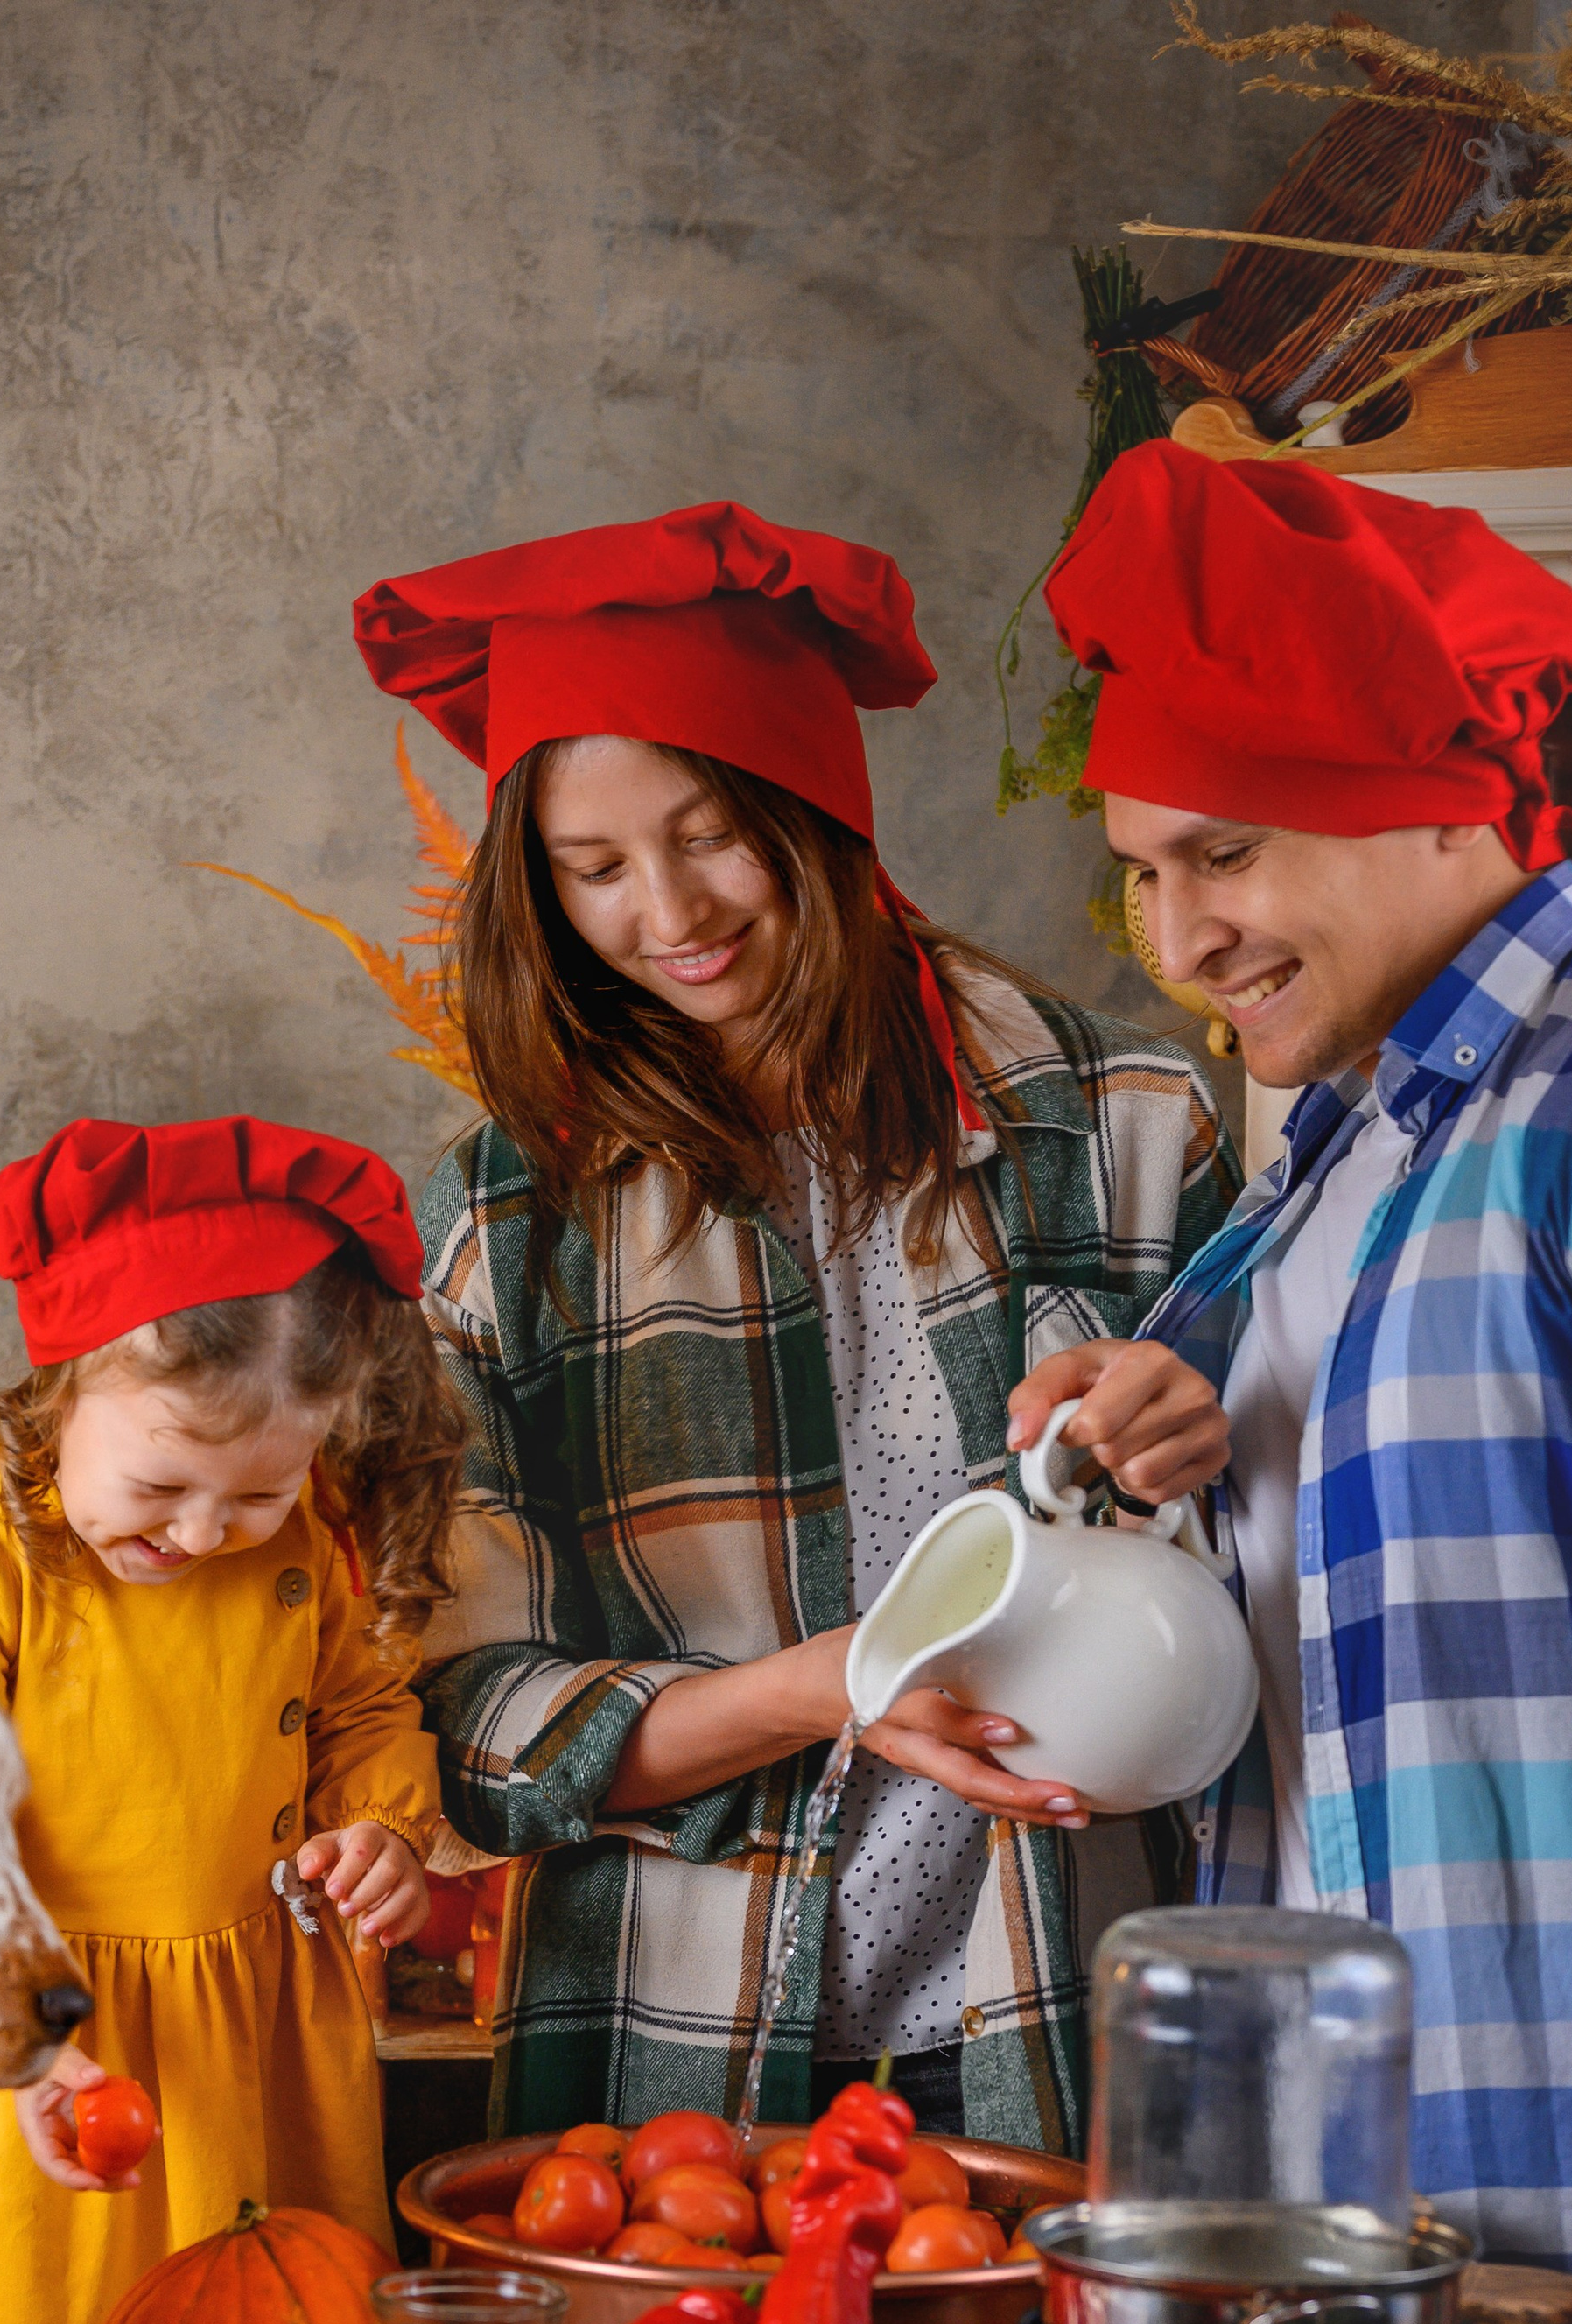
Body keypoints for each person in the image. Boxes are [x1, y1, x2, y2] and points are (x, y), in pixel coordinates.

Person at [352, 500, 1232, 2150]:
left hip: (1065, 2014)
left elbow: (1275, 1585)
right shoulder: (516, 1218)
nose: (667, 910)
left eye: (710, 834)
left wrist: (1197, 1438)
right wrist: (830, 1684)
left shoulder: (1129, 1120)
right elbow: (465, 1722)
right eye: (592, 867)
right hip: (672, 2048)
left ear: (813, 811)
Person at [1044, 433, 1572, 2324]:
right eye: (1138, 873)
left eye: (1222, 852)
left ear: (1437, 803)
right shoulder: (1320, 1175)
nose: (1178, 938)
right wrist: (1100, 1482)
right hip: (1376, 2303)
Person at [0, 1114, 455, 2324]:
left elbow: (364, 1715)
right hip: (47, 2016)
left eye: (256, 1496)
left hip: (266, 2032)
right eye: (160, 1486)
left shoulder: (315, 1544)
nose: (203, 1534)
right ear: (63, 1391)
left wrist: (384, 1835)